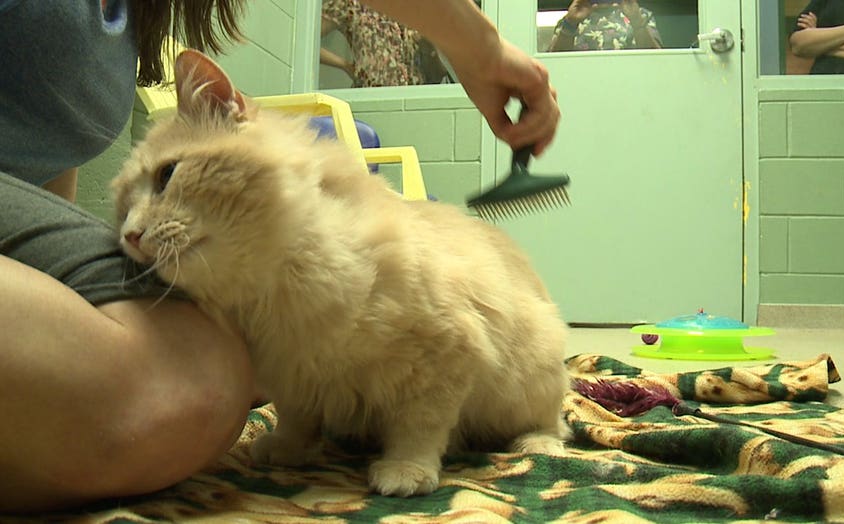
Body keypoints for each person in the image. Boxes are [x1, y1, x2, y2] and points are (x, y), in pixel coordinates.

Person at [0, 0, 558, 513]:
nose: (134, 230)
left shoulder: (369, 257)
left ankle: (536, 422)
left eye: (167, 178)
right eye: (126, 212)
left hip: (507, 389)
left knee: (204, 370)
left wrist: (415, 448)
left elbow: (447, 345)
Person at [321, 0, 451, 87]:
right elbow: (305, 41)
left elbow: (437, 76)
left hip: (415, 99)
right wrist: (345, 65)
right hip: (373, 96)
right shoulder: (351, 4)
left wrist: (430, 47)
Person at [548, 0, 662, 52]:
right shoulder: (571, 18)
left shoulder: (640, 15)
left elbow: (658, 63)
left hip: (632, 86)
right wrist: (570, 24)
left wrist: (637, 21)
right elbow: (553, 66)